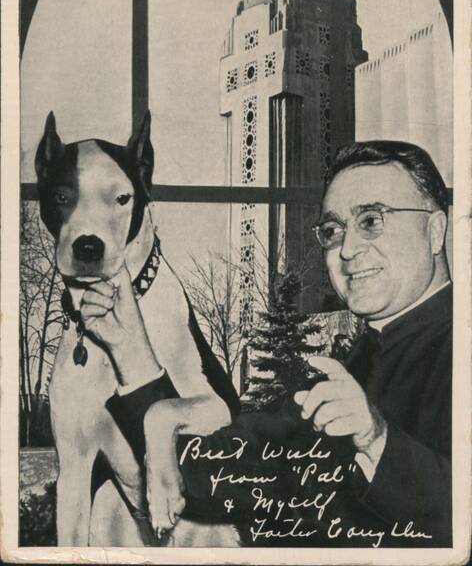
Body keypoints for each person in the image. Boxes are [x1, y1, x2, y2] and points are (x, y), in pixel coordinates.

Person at [81, 140, 452, 547]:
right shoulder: (354, 365)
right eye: (332, 230)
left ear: (434, 231)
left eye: (371, 221)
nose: (346, 249)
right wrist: (129, 349)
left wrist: (376, 440)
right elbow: (215, 478)